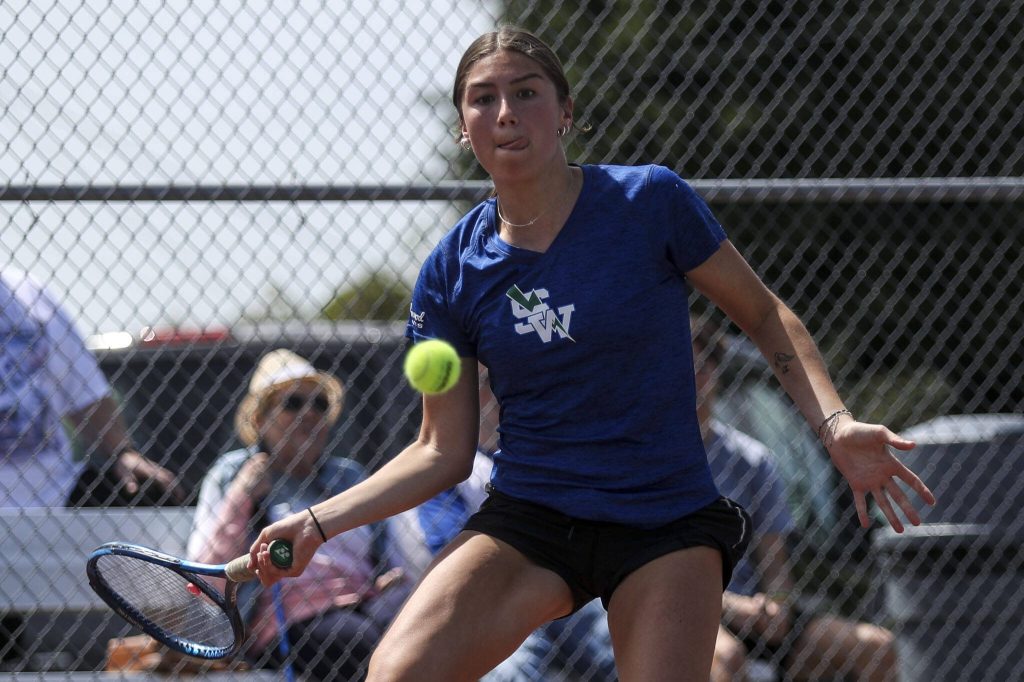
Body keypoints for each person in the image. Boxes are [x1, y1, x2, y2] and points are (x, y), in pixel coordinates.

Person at [248, 27, 935, 682]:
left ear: (565, 112)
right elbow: (440, 451)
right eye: (483, 98)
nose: (506, 112)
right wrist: (314, 521)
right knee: (396, 672)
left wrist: (835, 423)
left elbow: (763, 316)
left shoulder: (649, 202)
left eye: (526, 92)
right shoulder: (452, 269)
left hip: (663, 520)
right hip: (534, 519)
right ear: (464, 126)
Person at [691, 319, 898, 681]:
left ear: (716, 372)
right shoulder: (651, 459)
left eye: (702, 365)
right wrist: (729, 606)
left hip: (756, 616)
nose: (694, 376)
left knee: (876, 647)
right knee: (725, 659)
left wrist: (777, 606)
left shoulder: (751, 460)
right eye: (683, 366)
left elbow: (776, 571)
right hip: (685, 609)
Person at [187, 349, 410, 681]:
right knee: (364, 643)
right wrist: (242, 497)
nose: (309, 413)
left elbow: (388, 553)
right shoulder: (233, 474)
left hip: (366, 603)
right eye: (293, 403)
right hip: (291, 621)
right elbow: (207, 575)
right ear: (260, 419)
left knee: (423, 620)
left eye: (319, 404)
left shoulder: (347, 476)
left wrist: (388, 576)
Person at [414, 369, 617, 681]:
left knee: (626, 653)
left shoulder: (543, 457)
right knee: (508, 673)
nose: (497, 392)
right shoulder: (446, 470)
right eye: (486, 383)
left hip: (565, 586)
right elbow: (450, 554)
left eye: (505, 380)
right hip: (494, 600)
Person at [0, 268, 183, 508]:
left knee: (152, 494)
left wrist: (122, 453)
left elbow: (84, 390)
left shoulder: (27, 293)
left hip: (55, 495)